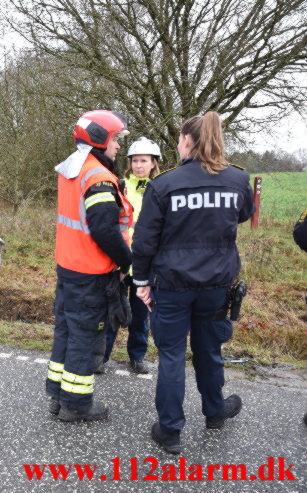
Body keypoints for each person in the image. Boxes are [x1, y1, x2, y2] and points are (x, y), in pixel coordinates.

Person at [132, 112, 255, 454]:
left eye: (179, 139)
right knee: (209, 350)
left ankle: (170, 430)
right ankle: (214, 411)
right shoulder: (237, 180)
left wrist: (141, 281)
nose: (177, 145)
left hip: (171, 284)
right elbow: (243, 214)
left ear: (188, 141)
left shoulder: (164, 185)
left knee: (171, 355)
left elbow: (144, 241)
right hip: (216, 284)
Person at [46, 110, 134, 422]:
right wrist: (127, 261)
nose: (118, 147)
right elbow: (104, 230)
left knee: (66, 332)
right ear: (100, 139)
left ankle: (58, 396)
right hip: (90, 272)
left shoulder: (73, 167)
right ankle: (77, 405)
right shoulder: (97, 177)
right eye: (116, 140)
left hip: (68, 266)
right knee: (85, 337)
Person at [102, 137, 161, 374]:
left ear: (153, 163)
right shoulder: (120, 185)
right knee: (112, 312)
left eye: (143, 161)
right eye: (135, 160)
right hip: (121, 261)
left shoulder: (161, 188)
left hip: (146, 265)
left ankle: (137, 357)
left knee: (140, 316)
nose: (138, 165)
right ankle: (102, 357)